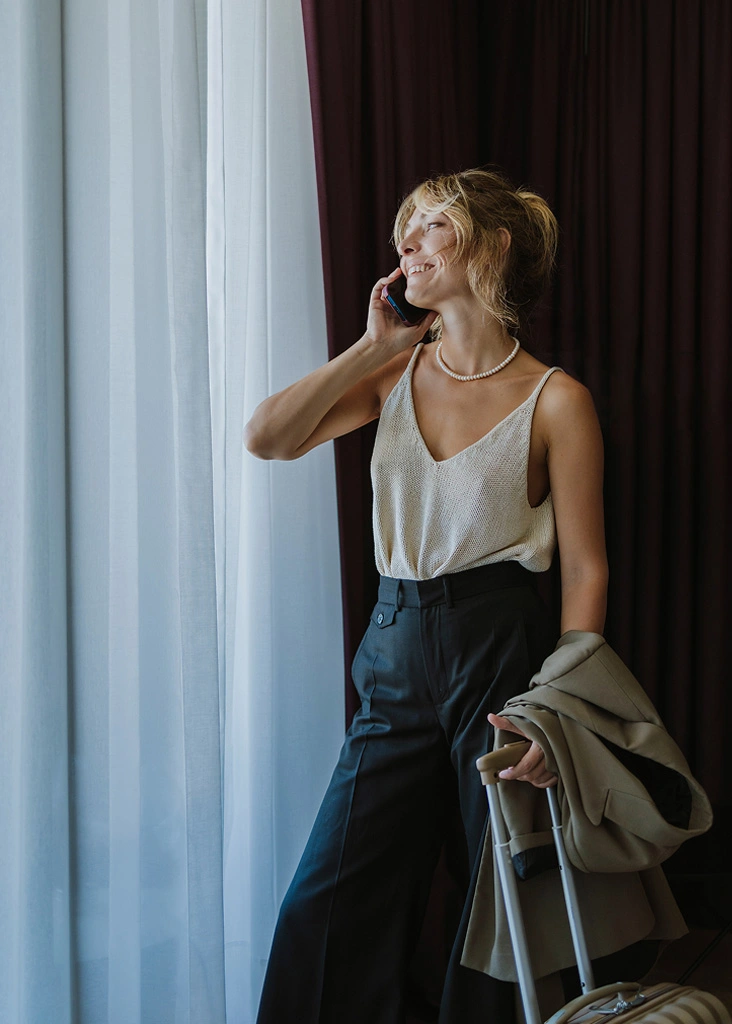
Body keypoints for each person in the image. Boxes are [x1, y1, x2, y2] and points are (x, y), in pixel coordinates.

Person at [244, 168, 608, 1024]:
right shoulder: (393, 376)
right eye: (405, 229)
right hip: (395, 647)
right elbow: (267, 438)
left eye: (431, 224)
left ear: (492, 246)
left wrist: (559, 711)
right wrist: (371, 348)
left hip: (503, 653)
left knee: (503, 904)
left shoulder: (558, 400)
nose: (406, 242)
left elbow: (585, 570)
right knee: (328, 904)